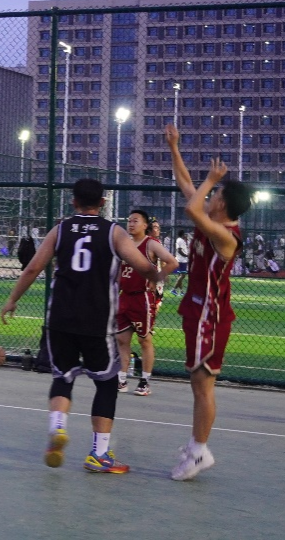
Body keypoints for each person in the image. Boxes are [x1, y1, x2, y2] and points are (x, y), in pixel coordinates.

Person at [0, 179, 161, 473]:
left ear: (73, 202)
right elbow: (142, 266)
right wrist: (159, 273)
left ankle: (58, 427)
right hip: (97, 321)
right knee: (107, 383)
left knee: (63, 376)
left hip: (60, 318)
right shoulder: (114, 232)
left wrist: (12, 299)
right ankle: (99, 454)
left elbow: (34, 267)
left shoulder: (61, 229)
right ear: (102, 203)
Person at [164, 124, 252, 481]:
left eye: (215, 193)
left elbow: (191, 207)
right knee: (198, 384)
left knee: (203, 386)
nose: (209, 195)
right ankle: (196, 445)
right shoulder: (210, 219)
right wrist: (174, 147)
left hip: (209, 317)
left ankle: (200, 451)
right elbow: (187, 186)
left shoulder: (226, 235)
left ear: (222, 204)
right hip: (197, 310)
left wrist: (212, 179)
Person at [116, 209, 177, 395]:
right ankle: (121, 379)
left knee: (144, 339)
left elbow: (172, 262)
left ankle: (144, 381)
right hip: (124, 297)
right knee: (122, 339)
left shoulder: (150, 244)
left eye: (135, 221)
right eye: (129, 221)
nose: (131, 224)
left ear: (145, 225)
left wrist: (157, 277)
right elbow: (120, 270)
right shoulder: (124, 244)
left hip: (142, 297)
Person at [169, 230, 190, 295]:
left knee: (180, 276)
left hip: (181, 260)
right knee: (183, 275)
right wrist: (186, 255)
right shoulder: (180, 240)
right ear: (183, 234)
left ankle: (181, 291)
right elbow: (179, 250)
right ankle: (173, 289)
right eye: (184, 234)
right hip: (182, 260)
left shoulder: (180, 240)